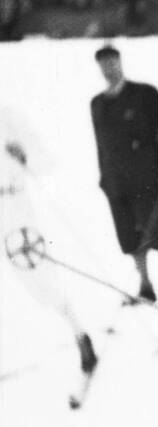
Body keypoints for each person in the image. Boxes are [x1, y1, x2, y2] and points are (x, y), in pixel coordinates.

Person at [1, 102, 98, 382]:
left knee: (38, 276)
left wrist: (24, 156)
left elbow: (46, 160)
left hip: (14, 208)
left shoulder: (8, 116)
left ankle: (80, 336)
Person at [89, 45, 158, 303]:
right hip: (116, 181)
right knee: (129, 236)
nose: (109, 69)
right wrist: (104, 179)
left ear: (120, 62)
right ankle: (145, 285)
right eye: (103, 64)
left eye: (112, 62)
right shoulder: (97, 104)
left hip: (148, 178)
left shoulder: (145, 94)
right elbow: (101, 145)